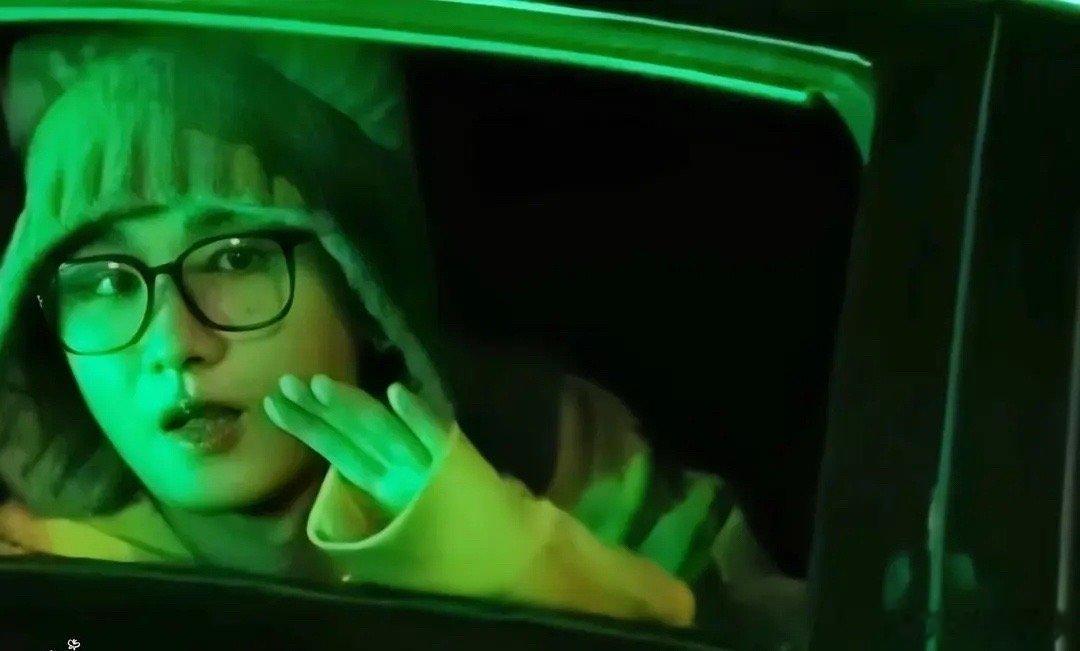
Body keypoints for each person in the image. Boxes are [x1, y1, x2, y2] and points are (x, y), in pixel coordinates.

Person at [0, 28, 807, 643]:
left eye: (238, 257)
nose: (177, 341)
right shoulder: (36, 571)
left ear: (360, 287)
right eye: (104, 281)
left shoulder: (564, 456)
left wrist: (528, 571)